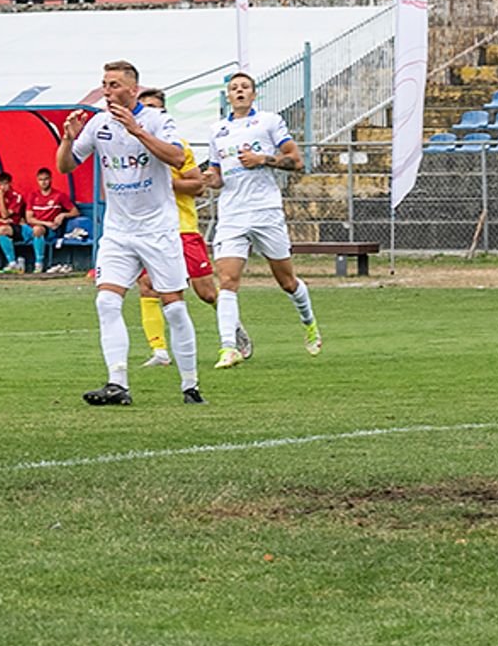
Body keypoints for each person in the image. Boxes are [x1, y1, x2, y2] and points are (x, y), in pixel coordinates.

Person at [56, 59, 204, 406]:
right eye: (104, 84)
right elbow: (65, 165)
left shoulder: (156, 120)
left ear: (133, 89)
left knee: (174, 309)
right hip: (118, 230)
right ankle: (117, 383)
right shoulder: (98, 124)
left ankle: (190, 385)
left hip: (157, 229)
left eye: (114, 85)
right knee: (106, 301)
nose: (107, 91)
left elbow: (177, 157)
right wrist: (67, 140)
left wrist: (138, 131)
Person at [203, 72, 320, 363]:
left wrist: (262, 160)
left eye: (245, 87)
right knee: (227, 279)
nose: (239, 91)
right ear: (228, 96)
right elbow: (217, 173)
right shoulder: (217, 130)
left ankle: (309, 322)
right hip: (232, 213)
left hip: (265, 210)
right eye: (234, 88)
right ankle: (228, 347)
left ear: (254, 94)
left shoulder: (269, 122)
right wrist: (211, 178)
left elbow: (296, 161)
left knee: (287, 281)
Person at [132, 87, 251, 370]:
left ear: (163, 113)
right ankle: (160, 351)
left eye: (154, 108)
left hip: (182, 229)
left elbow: (197, 186)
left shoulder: (178, 147)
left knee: (206, 292)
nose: (149, 113)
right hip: (149, 231)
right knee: (147, 286)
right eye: (144, 108)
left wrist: (164, 183)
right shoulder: (132, 150)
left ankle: (233, 326)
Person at [23, 167, 78, 274]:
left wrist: (63, 214)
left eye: (46, 179)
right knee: (3, 230)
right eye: (41, 180)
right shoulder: (33, 196)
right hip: (33, 227)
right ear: (37, 181)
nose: (43, 182)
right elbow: (29, 218)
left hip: (50, 230)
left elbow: (75, 212)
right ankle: (12, 264)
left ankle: (39, 264)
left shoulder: (59, 195)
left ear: (51, 179)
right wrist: (45, 223)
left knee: (38, 230)